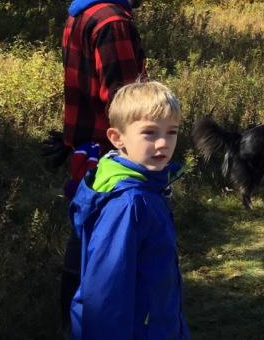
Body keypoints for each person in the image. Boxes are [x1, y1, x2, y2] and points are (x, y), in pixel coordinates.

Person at [54, 0, 154, 330]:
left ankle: (73, 321)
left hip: (81, 145)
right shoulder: (114, 21)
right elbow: (125, 98)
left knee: (85, 233)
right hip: (107, 150)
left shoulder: (80, 13)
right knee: (107, 243)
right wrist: (139, 150)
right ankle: (99, 323)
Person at [69, 80, 189, 339]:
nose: (162, 144)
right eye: (149, 133)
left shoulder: (149, 186)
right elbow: (105, 295)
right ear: (117, 138)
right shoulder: (128, 203)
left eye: (171, 132)